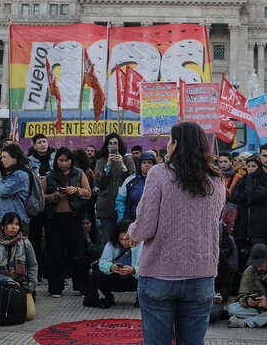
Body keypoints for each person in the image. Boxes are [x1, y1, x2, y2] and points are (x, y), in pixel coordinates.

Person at [128, 121, 225, 345]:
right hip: (201, 275)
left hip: (160, 275)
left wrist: (132, 233)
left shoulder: (159, 174)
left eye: (171, 140)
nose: (169, 145)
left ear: (176, 144)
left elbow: (145, 226)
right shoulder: (216, 178)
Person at [43, 146, 92, 297]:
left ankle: (81, 286)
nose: (64, 163)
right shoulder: (49, 176)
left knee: (78, 252)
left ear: (71, 161)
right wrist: (54, 197)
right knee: (55, 253)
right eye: (61, 160)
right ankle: (55, 288)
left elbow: (88, 193)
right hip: (54, 219)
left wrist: (76, 190)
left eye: (67, 160)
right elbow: (41, 197)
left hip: (74, 217)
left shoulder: (79, 173)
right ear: (56, 161)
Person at [0, 212, 39, 320]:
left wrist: (31, 284)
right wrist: (7, 280)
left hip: (20, 285)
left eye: (17, 224)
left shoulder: (25, 243)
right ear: (2, 225)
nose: (14, 227)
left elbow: (33, 266)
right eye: (10, 223)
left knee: (30, 315)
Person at [227, 243, 267, 329]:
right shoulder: (249, 271)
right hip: (256, 309)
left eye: (261, 264)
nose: (258, 268)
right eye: (256, 264)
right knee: (231, 309)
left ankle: (247, 322)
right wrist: (248, 301)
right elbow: (241, 296)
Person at [83, 219, 140, 308]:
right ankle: (108, 298)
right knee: (97, 273)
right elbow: (103, 263)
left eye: (127, 239)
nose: (124, 242)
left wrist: (133, 270)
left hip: (134, 280)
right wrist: (111, 267)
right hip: (116, 278)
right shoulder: (111, 245)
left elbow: (148, 269)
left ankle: (140, 300)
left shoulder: (141, 245)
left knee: (148, 277)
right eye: (121, 239)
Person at [94, 133, 135, 241]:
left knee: (125, 240)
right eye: (110, 144)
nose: (113, 146)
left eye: (115, 144)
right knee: (107, 240)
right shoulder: (101, 162)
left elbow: (133, 182)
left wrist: (122, 165)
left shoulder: (128, 161)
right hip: (106, 207)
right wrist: (108, 165)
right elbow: (99, 183)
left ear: (119, 146)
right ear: (106, 146)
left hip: (124, 207)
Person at [0, 143, 33, 229]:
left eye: (4, 157)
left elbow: (1, 192)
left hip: (17, 222)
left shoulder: (19, 175)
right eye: (1, 157)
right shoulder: (12, 173)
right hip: (8, 220)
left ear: (14, 158)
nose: (2, 160)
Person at [115, 150, 156, 221]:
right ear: (139, 164)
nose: (147, 165)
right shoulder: (130, 180)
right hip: (133, 220)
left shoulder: (159, 180)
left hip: (153, 221)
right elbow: (120, 200)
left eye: (150, 163)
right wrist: (122, 220)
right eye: (144, 162)